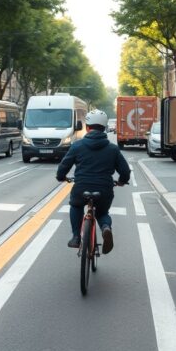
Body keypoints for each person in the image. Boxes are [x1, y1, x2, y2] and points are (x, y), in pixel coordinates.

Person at [56, 109, 131, 254]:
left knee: (76, 206)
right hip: (104, 189)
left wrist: (61, 177)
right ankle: (105, 228)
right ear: (104, 128)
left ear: (87, 127)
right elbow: (125, 172)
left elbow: (63, 166)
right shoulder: (113, 149)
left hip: (81, 187)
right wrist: (122, 181)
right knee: (102, 212)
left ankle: (76, 237)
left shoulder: (77, 146)